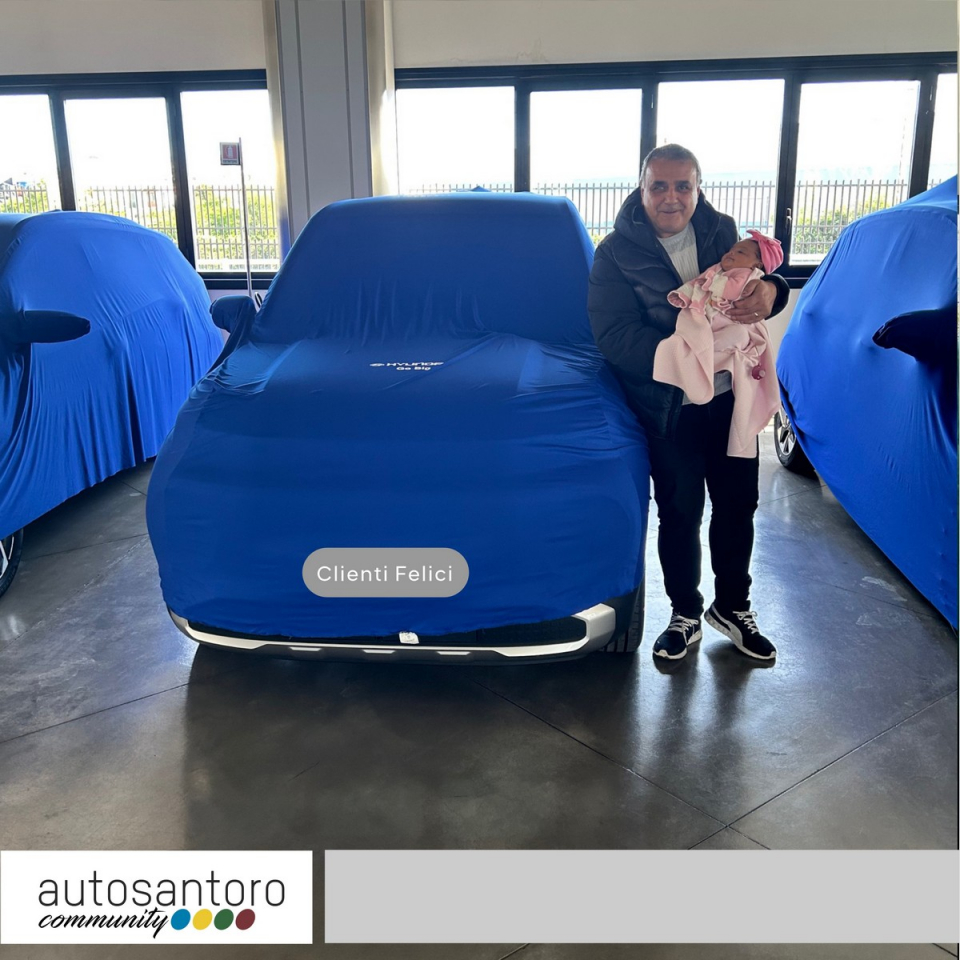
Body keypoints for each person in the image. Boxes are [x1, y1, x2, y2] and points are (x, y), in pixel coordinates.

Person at [588, 144, 790, 662]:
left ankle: (733, 607)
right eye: (659, 186)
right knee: (680, 512)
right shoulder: (616, 253)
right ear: (642, 189)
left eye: (683, 186)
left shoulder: (724, 232)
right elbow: (614, 335)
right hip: (668, 406)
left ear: (698, 189)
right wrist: (686, 359)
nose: (671, 197)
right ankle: (684, 612)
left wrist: (774, 291)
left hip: (731, 399)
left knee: (738, 505)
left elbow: (758, 279)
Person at [653, 232, 784, 459]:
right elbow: (696, 284)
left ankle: (703, 360)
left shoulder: (748, 274)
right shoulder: (718, 270)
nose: (730, 253)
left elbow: (733, 289)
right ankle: (694, 361)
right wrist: (683, 295)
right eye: (731, 250)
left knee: (736, 335)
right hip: (709, 324)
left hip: (732, 326)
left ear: (757, 264)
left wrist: (774, 287)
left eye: (739, 252)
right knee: (686, 340)